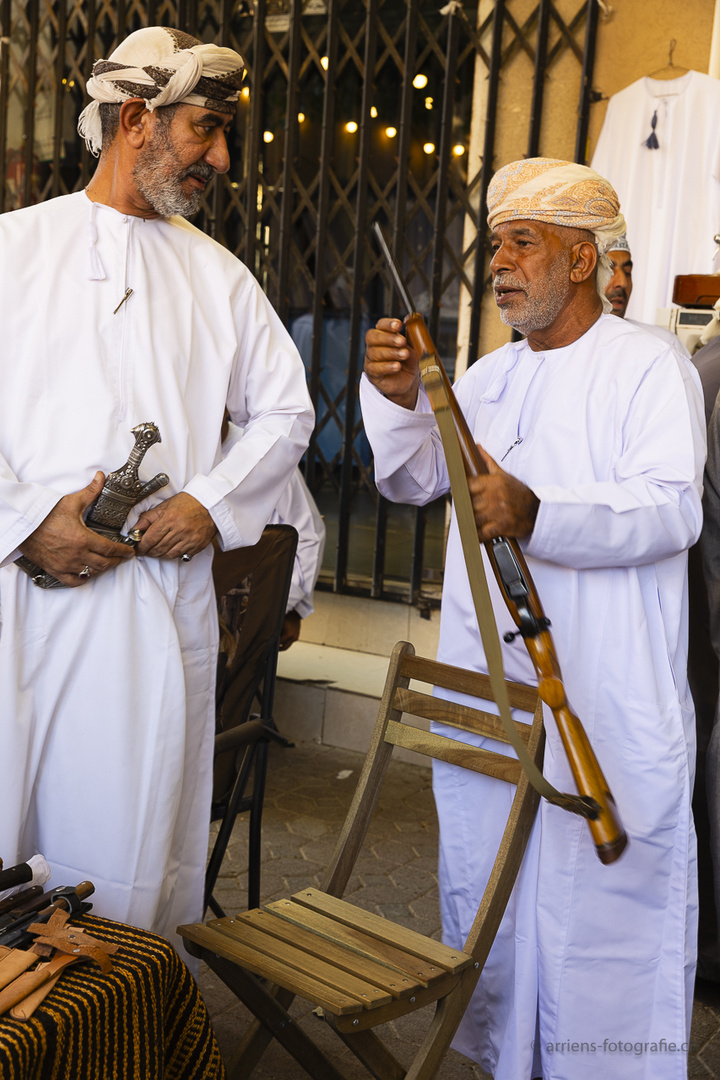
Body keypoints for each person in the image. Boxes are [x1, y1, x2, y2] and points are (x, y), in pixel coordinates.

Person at [361, 157, 704, 1079]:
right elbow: (412, 478)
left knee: (606, 920)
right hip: (501, 696)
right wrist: (397, 401)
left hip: (607, 693)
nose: (500, 263)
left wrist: (540, 511)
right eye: (496, 243)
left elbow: (674, 508)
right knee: (497, 906)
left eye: (525, 242)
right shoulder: (487, 375)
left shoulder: (651, 367)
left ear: (584, 260)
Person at [0, 27, 313, 949]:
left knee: (129, 869)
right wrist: (25, 522)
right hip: (17, 612)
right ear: (135, 120)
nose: (222, 156)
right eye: (206, 130)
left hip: (149, 623)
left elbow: (286, 415)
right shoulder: (12, 251)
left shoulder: (219, 278)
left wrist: (209, 503)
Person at [221, 419, 326, 648]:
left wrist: (290, 607)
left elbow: (307, 532)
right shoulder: (182, 450)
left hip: (249, 599)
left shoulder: (260, 450)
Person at [605, 234, 691, 357]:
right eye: (609, 270)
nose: (623, 283)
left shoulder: (665, 344)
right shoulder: (572, 344)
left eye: (627, 272)